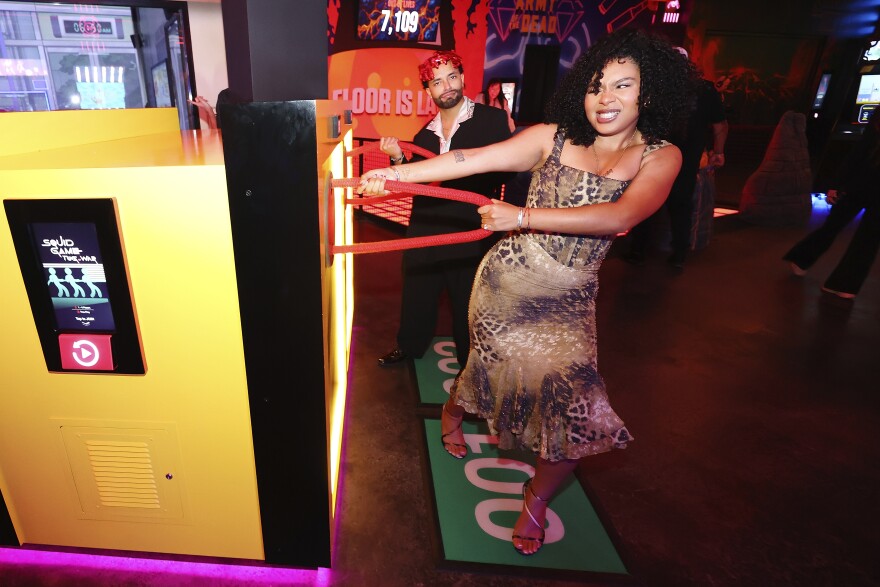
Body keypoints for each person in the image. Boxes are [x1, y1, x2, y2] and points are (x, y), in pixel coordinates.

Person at [359, 29, 696, 555]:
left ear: (648, 94)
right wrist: (398, 176)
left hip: (570, 297)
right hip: (506, 282)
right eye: (596, 86)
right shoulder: (552, 136)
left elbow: (624, 215)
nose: (604, 98)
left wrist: (522, 216)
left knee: (576, 410)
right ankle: (454, 411)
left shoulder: (662, 156)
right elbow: (471, 159)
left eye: (622, 86)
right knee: (487, 369)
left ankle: (536, 500)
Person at [376, 51, 512, 368]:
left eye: (452, 77)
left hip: (469, 226)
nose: (446, 86)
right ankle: (409, 345)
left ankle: (469, 365)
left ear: (463, 79)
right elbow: (415, 179)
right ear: (429, 91)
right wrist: (397, 159)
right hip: (426, 222)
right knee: (417, 291)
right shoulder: (423, 135)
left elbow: (508, 171)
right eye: (437, 81)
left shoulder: (491, 120)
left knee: (467, 300)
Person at [624, 47, 727, 268]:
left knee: (650, 202)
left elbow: (631, 121)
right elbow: (720, 125)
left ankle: (641, 250)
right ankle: (675, 254)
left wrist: (718, 151)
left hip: (659, 159)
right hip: (675, 160)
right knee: (677, 205)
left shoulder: (654, 87)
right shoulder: (702, 89)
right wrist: (718, 151)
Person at [783, 110, 880, 299]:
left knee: (836, 227)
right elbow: (859, 152)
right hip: (861, 184)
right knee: (867, 240)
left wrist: (837, 184)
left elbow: (859, 152)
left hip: (859, 183)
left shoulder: (877, 118)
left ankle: (802, 259)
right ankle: (845, 285)